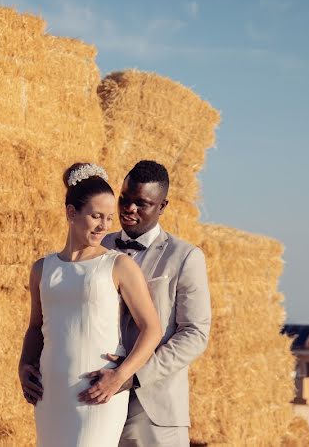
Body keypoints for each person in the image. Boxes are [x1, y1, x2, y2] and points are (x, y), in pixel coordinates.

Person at [19, 163, 162, 447]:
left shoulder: (119, 265)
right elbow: (36, 327)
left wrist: (120, 376)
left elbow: (152, 329)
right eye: (96, 216)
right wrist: (23, 364)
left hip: (97, 392)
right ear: (71, 213)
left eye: (109, 218)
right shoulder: (42, 269)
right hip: (51, 393)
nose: (105, 226)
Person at [80, 160, 211, 447]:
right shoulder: (96, 248)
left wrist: (132, 375)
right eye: (125, 199)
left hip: (154, 408)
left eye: (142, 204)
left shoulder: (185, 257)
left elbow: (195, 334)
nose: (129, 209)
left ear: (163, 206)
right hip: (92, 396)